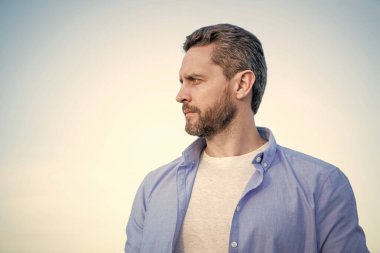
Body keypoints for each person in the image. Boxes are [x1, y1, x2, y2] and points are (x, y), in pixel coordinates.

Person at [125, 24, 369, 253]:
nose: (180, 95)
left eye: (195, 80)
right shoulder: (153, 188)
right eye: (181, 82)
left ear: (242, 84)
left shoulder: (322, 185)